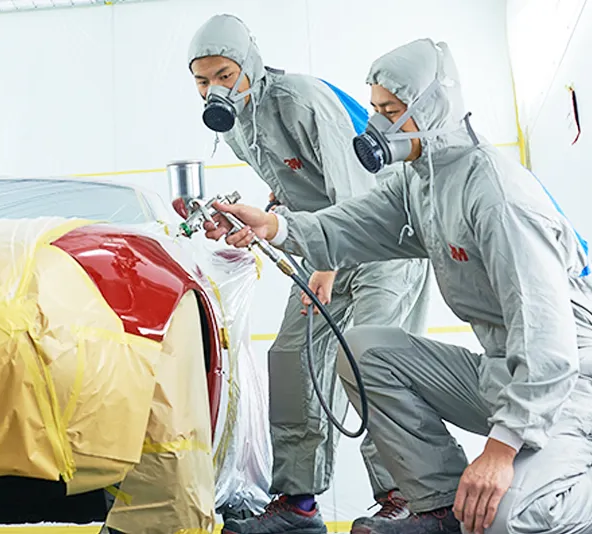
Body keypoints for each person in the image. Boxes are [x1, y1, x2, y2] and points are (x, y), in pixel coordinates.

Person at [200, 37, 592, 534]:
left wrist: (500, 449)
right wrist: (274, 227)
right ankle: (439, 507)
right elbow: (352, 223)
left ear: (430, 106)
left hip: (569, 385)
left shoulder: (497, 194)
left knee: (510, 518)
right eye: (375, 109)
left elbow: (548, 339)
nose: (378, 126)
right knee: (368, 351)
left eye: (392, 110)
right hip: (502, 372)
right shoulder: (422, 180)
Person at [181, 14, 432, 534]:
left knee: (369, 357)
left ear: (247, 64)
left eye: (224, 75)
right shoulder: (239, 127)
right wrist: (260, 219)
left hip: (381, 247)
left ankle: (407, 497)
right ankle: (298, 505)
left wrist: (324, 267)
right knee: (292, 358)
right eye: (202, 81)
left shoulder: (300, 99)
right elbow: (296, 187)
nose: (213, 90)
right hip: (326, 250)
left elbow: (353, 190)